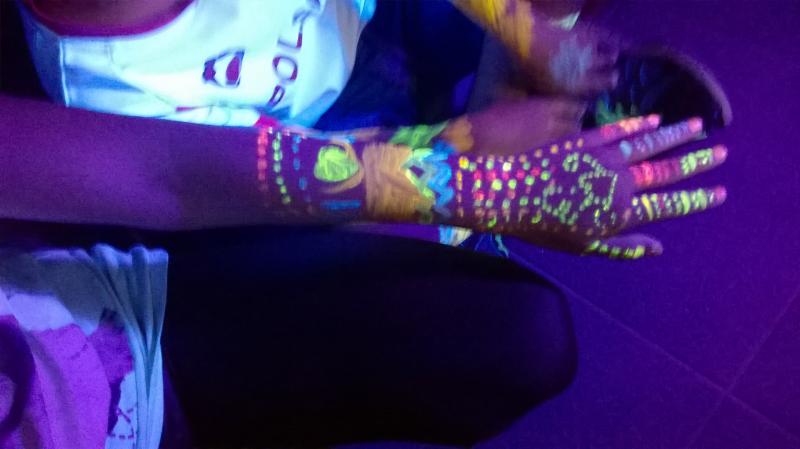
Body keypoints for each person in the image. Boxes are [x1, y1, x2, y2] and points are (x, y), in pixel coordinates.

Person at [0, 0, 728, 447]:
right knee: (328, 240)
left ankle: (543, 91)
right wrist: (469, 149)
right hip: (314, 138)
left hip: (362, 31)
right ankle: (534, 114)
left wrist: (525, 27)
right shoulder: (114, 90)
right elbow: (261, 175)